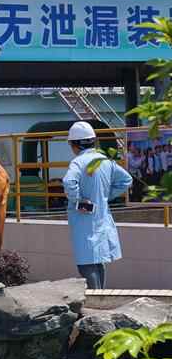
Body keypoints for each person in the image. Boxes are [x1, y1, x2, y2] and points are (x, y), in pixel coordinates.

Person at [62, 122, 132, 290]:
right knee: (99, 262)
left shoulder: (78, 162)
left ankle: (96, 299)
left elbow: (68, 182)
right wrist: (105, 197)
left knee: (86, 264)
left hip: (84, 219)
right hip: (101, 217)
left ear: (75, 144)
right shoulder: (105, 161)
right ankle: (101, 295)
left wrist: (78, 201)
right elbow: (126, 180)